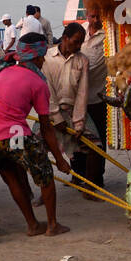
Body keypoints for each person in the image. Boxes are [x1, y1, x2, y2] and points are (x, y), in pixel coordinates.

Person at [0, 32, 71, 244]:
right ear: (36, 58)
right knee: (45, 175)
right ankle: (51, 225)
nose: (44, 61)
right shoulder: (38, 82)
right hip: (16, 134)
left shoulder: (2, 73)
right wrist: (60, 161)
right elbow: (46, 128)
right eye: (42, 57)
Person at [41, 23, 90, 161]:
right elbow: (47, 89)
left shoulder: (82, 60)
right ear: (64, 38)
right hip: (50, 112)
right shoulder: (46, 57)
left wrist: (79, 123)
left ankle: (87, 180)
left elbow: (82, 93)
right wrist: (56, 118)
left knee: (94, 145)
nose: (79, 46)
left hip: (73, 110)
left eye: (81, 42)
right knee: (35, 147)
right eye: (76, 42)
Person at [76, 21, 108, 188]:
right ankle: (78, 175)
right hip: (76, 99)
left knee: (97, 140)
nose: (94, 19)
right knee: (76, 138)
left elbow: (93, 66)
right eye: (91, 14)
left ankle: (95, 180)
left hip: (96, 96)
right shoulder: (82, 28)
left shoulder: (107, 34)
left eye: (97, 15)